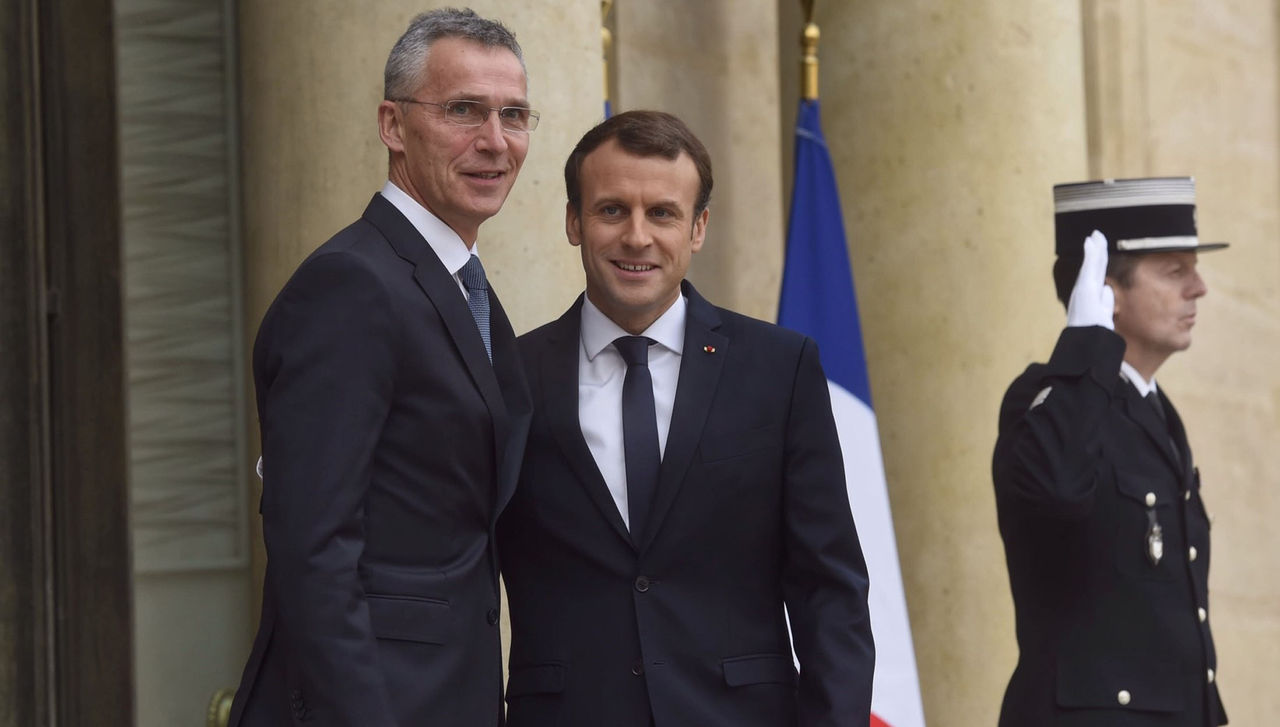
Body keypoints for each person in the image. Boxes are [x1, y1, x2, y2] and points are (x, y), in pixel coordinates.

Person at [498, 110, 875, 727]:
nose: (637, 237)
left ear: (698, 227)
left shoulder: (779, 369)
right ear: (574, 221)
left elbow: (829, 589)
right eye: (612, 210)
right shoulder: (510, 375)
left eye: (663, 213)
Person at [227, 9, 534, 726]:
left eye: (514, 114)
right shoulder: (353, 285)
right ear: (393, 126)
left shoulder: (457, 285)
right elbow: (313, 547)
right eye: (464, 110)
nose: (495, 141)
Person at [992, 177, 1228, 726]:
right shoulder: (1044, 399)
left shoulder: (1155, 412)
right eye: (1175, 271)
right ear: (1105, 288)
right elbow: (1057, 488)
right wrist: (1084, 346)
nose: (1199, 289)